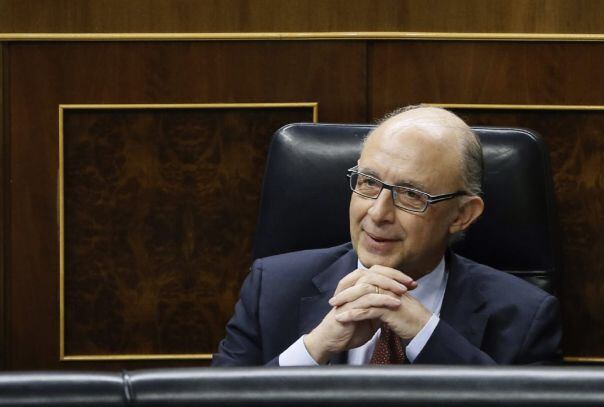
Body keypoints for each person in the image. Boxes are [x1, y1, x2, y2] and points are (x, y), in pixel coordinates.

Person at [212, 106, 561, 366]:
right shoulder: (271, 289)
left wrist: (427, 335)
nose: (377, 214)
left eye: (410, 194)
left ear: (462, 215)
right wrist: (314, 347)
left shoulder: (524, 317)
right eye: (368, 183)